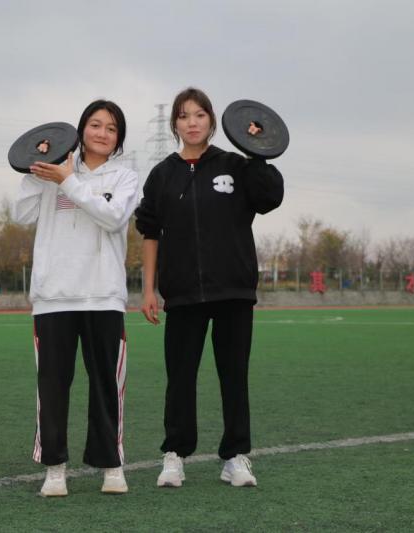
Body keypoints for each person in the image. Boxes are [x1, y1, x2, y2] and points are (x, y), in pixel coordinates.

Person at [135, 87, 284, 488]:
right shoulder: (162, 174)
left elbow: (271, 198)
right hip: (183, 293)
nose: (192, 122)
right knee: (180, 378)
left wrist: (257, 150)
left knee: (234, 376)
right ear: (175, 124)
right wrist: (148, 290)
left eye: (200, 115)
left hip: (233, 291)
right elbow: (149, 233)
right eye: (184, 116)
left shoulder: (237, 166)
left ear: (213, 121)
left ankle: (235, 457)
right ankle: (175, 455)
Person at [12, 100, 139, 497]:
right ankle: (55, 469)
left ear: (118, 138)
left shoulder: (125, 177)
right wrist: (36, 171)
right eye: (95, 125)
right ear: (81, 129)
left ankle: (111, 466)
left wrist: (68, 181)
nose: (102, 133)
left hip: (103, 297)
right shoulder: (55, 170)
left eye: (111, 128)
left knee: (106, 386)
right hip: (54, 297)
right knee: (52, 387)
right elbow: (21, 215)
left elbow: (112, 218)